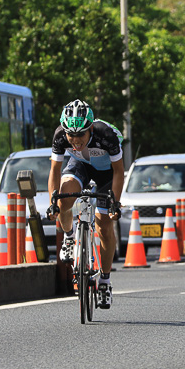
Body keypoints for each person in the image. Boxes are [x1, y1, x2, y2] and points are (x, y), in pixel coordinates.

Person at [46, 99, 124, 309]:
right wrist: (53, 200)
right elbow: (55, 170)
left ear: (90, 129)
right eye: (71, 134)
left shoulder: (105, 135)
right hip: (80, 165)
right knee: (64, 200)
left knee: (104, 226)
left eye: (80, 134)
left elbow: (118, 171)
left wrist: (114, 203)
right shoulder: (60, 136)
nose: (75, 139)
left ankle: (105, 282)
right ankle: (70, 238)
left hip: (107, 173)